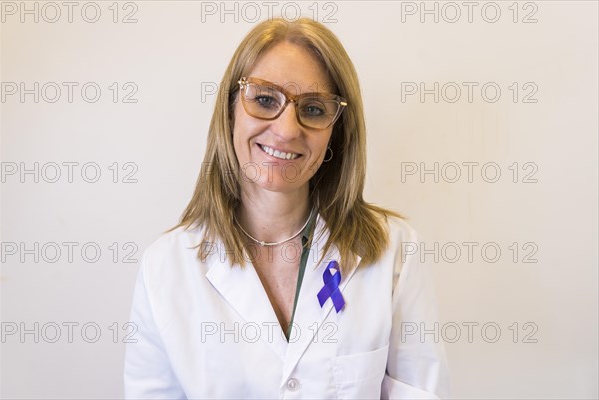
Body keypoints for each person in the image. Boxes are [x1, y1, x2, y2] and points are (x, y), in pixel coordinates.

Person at [124, 17, 449, 399]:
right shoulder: (166, 267)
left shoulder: (394, 252)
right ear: (230, 111)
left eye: (313, 109)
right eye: (264, 100)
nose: (287, 129)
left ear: (335, 132)